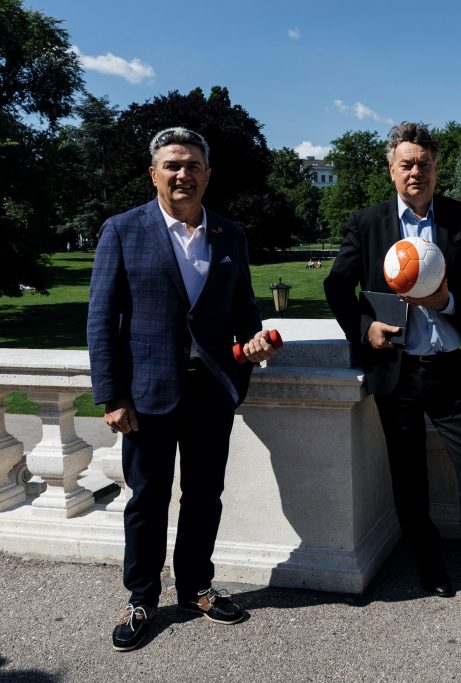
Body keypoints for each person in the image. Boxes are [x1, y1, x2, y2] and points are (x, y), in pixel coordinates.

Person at [324, 122, 461, 622]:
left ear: (437, 167)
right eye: (406, 163)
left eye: (424, 162)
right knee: (408, 475)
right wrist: (365, 329)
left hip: (447, 367)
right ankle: (429, 563)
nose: (415, 171)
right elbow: (339, 287)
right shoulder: (368, 223)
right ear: (391, 169)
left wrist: (448, 299)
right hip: (394, 371)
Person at [87, 127, 279, 652]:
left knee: (204, 497)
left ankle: (196, 586)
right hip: (147, 394)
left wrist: (253, 341)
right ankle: (141, 597)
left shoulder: (229, 235)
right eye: (172, 165)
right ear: (154, 174)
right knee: (147, 500)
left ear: (207, 174)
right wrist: (112, 395)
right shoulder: (122, 230)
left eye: (193, 165)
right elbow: (101, 321)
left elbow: (243, 310)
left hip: (212, 391)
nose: (182, 174)